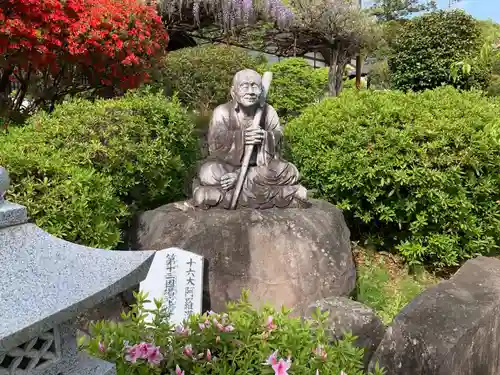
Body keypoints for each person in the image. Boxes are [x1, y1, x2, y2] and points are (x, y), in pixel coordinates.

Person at [192, 69, 307, 209]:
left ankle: (223, 192)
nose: (251, 91)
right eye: (245, 86)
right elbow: (215, 144)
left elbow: (278, 136)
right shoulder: (222, 112)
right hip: (227, 166)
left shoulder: (268, 111)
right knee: (207, 173)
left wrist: (264, 137)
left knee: (289, 172)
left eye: (255, 86)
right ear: (233, 92)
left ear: (261, 90)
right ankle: (282, 194)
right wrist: (242, 138)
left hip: (259, 168)